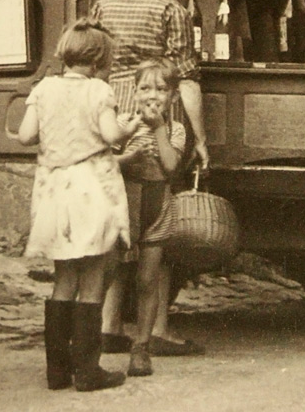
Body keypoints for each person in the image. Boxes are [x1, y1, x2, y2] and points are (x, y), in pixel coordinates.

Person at [90, 0, 209, 356]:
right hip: (155, 108)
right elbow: (187, 77)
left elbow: (93, 67)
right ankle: (155, 328)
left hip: (114, 117)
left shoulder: (103, 5)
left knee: (121, 226)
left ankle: (107, 325)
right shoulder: (170, 10)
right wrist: (199, 136)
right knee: (157, 230)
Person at [18, 18, 141, 392]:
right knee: (92, 277)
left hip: (54, 190)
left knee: (63, 279)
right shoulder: (99, 92)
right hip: (90, 189)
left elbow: (25, 136)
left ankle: (57, 371)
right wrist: (130, 127)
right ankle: (88, 369)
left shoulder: (44, 88)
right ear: (99, 60)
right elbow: (110, 134)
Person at [116, 58, 188, 377]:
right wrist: (125, 147)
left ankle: (141, 348)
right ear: (134, 92)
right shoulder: (122, 122)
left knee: (148, 279)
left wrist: (159, 129)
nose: (152, 95)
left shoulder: (176, 129)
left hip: (157, 205)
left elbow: (171, 166)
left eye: (161, 89)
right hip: (124, 203)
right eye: (145, 87)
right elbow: (106, 156)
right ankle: (95, 337)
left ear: (172, 96)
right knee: (109, 273)